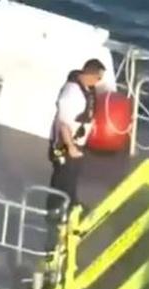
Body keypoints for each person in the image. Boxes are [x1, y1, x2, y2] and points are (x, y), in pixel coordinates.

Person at [45, 58, 106, 214]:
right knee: (62, 176)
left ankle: (72, 203)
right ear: (90, 75)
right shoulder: (71, 95)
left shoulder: (87, 88)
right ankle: (54, 209)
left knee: (72, 175)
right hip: (64, 144)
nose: (99, 82)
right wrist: (71, 147)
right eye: (98, 78)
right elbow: (63, 124)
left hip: (77, 141)